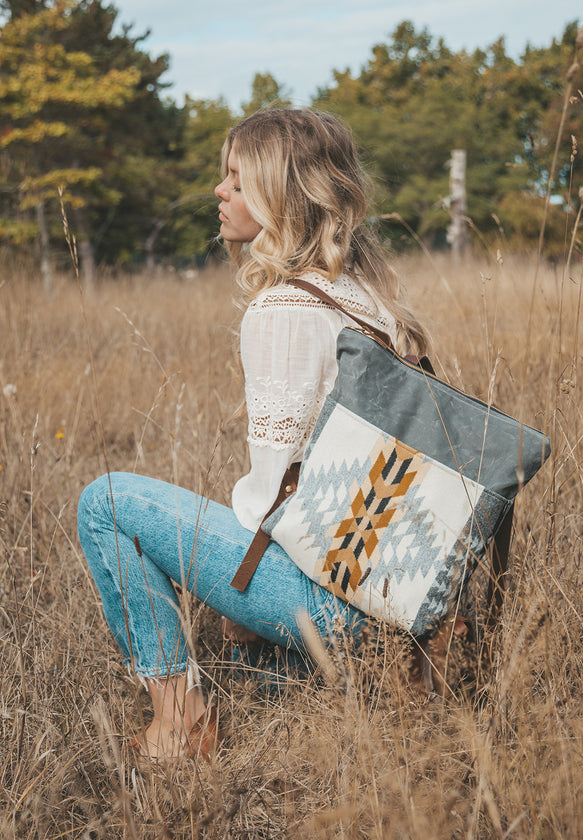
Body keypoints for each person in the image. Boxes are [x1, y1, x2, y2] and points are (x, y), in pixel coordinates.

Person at [77, 108, 429, 761]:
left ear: (281, 196)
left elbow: (274, 500)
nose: (220, 192)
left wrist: (230, 587)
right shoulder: (365, 299)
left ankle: (178, 725)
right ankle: (288, 681)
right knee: (254, 662)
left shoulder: (284, 310)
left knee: (106, 502)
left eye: (238, 180)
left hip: (330, 602)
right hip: (389, 595)